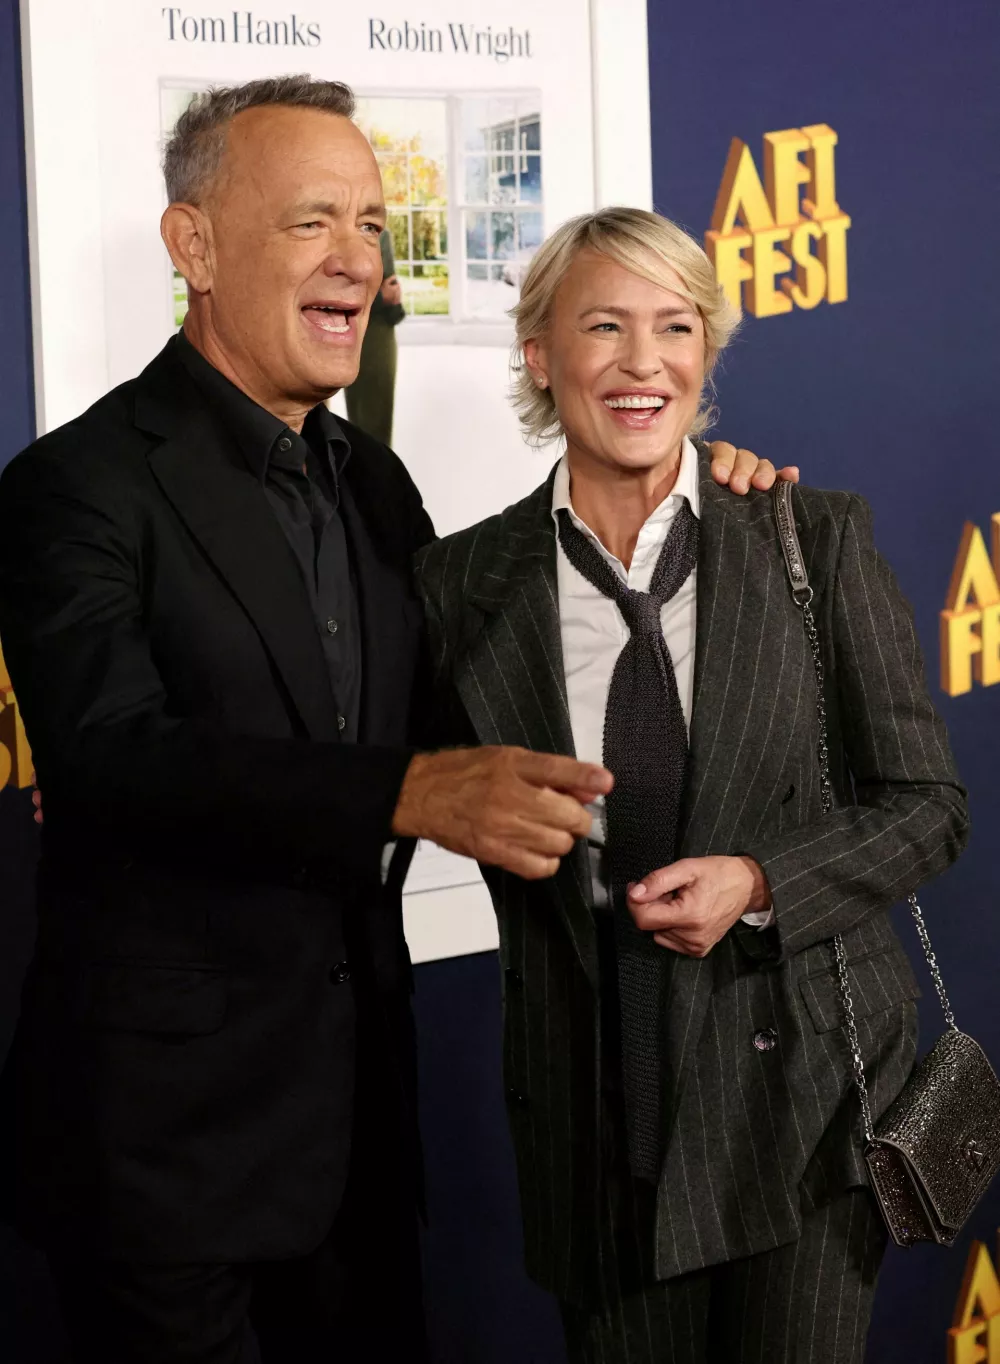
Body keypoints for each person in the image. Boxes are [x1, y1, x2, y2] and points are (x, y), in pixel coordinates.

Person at [0, 81, 780, 1362]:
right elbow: (104, 756)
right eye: (314, 221)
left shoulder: (371, 478)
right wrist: (403, 793)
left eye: (371, 221)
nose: (359, 259)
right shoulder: (76, 485)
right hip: (162, 1161)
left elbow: (480, 682)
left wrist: (699, 484)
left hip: (357, 1148)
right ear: (192, 246)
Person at [415, 207, 970, 1364]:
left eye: (674, 326)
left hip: (803, 1116)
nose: (640, 360)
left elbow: (928, 803)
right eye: (602, 325)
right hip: (599, 1117)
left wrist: (764, 877)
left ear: (705, 354)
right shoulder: (460, 582)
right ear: (538, 354)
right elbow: (400, 778)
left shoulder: (806, 537)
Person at [344, 227, 405, 444]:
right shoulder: (344, 235)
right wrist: (383, 297)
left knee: (375, 423)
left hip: (378, 330)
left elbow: (390, 289)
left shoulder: (381, 234)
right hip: (357, 331)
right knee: (362, 420)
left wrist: (391, 298)